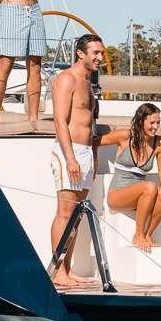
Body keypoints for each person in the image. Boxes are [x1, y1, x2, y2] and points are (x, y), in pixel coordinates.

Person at [48, 33, 105, 289]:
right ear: (81, 53)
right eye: (95, 53)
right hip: (68, 152)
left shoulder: (89, 82)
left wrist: (91, 156)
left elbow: (89, 123)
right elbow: (60, 120)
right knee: (65, 212)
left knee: (77, 217)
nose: (100, 58)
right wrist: (70, 158)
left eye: (102, 53)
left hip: (85, 153)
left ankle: (67, 270)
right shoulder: (66, 79)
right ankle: (57, 271)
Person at [98, 103, 161, 252]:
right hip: (117, 194)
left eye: (158, 122)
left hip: (141, 195)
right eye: (152, 122)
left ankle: (148, 235)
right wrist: (93, 160)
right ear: (141, 121)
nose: (155, 127)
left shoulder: (160, 143)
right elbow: (95, 142)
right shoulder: (125, 136)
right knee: (150, 186)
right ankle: (138, 234)